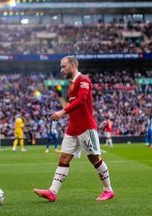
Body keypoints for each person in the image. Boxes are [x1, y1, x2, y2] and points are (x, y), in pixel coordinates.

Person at [34, 56, 115, 202]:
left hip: (86, 127)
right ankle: (52, 192)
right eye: (61, 67)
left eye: (64, 66)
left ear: (72, 66)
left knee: (94, 158)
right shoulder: (71, 84)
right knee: (64, 157)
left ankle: (108, 190)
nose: (61, 70)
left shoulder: (83, 80)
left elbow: (82, 100)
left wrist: (63, 111)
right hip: (73, 127)